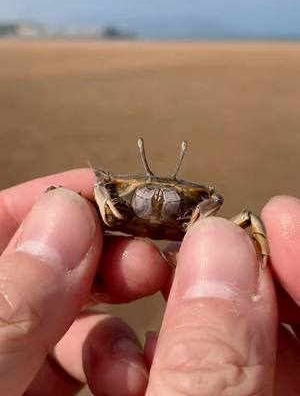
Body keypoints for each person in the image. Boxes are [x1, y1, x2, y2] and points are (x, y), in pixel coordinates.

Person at [0, 168, 298, 396]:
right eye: (145, 193)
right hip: (115, 222)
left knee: (246, 218)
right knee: (66, 200)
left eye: (174, 196)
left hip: (189, 229)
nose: (158, 200)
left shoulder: (203, 208)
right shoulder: (109, 195)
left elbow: (229, 209)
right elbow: (88, 192)